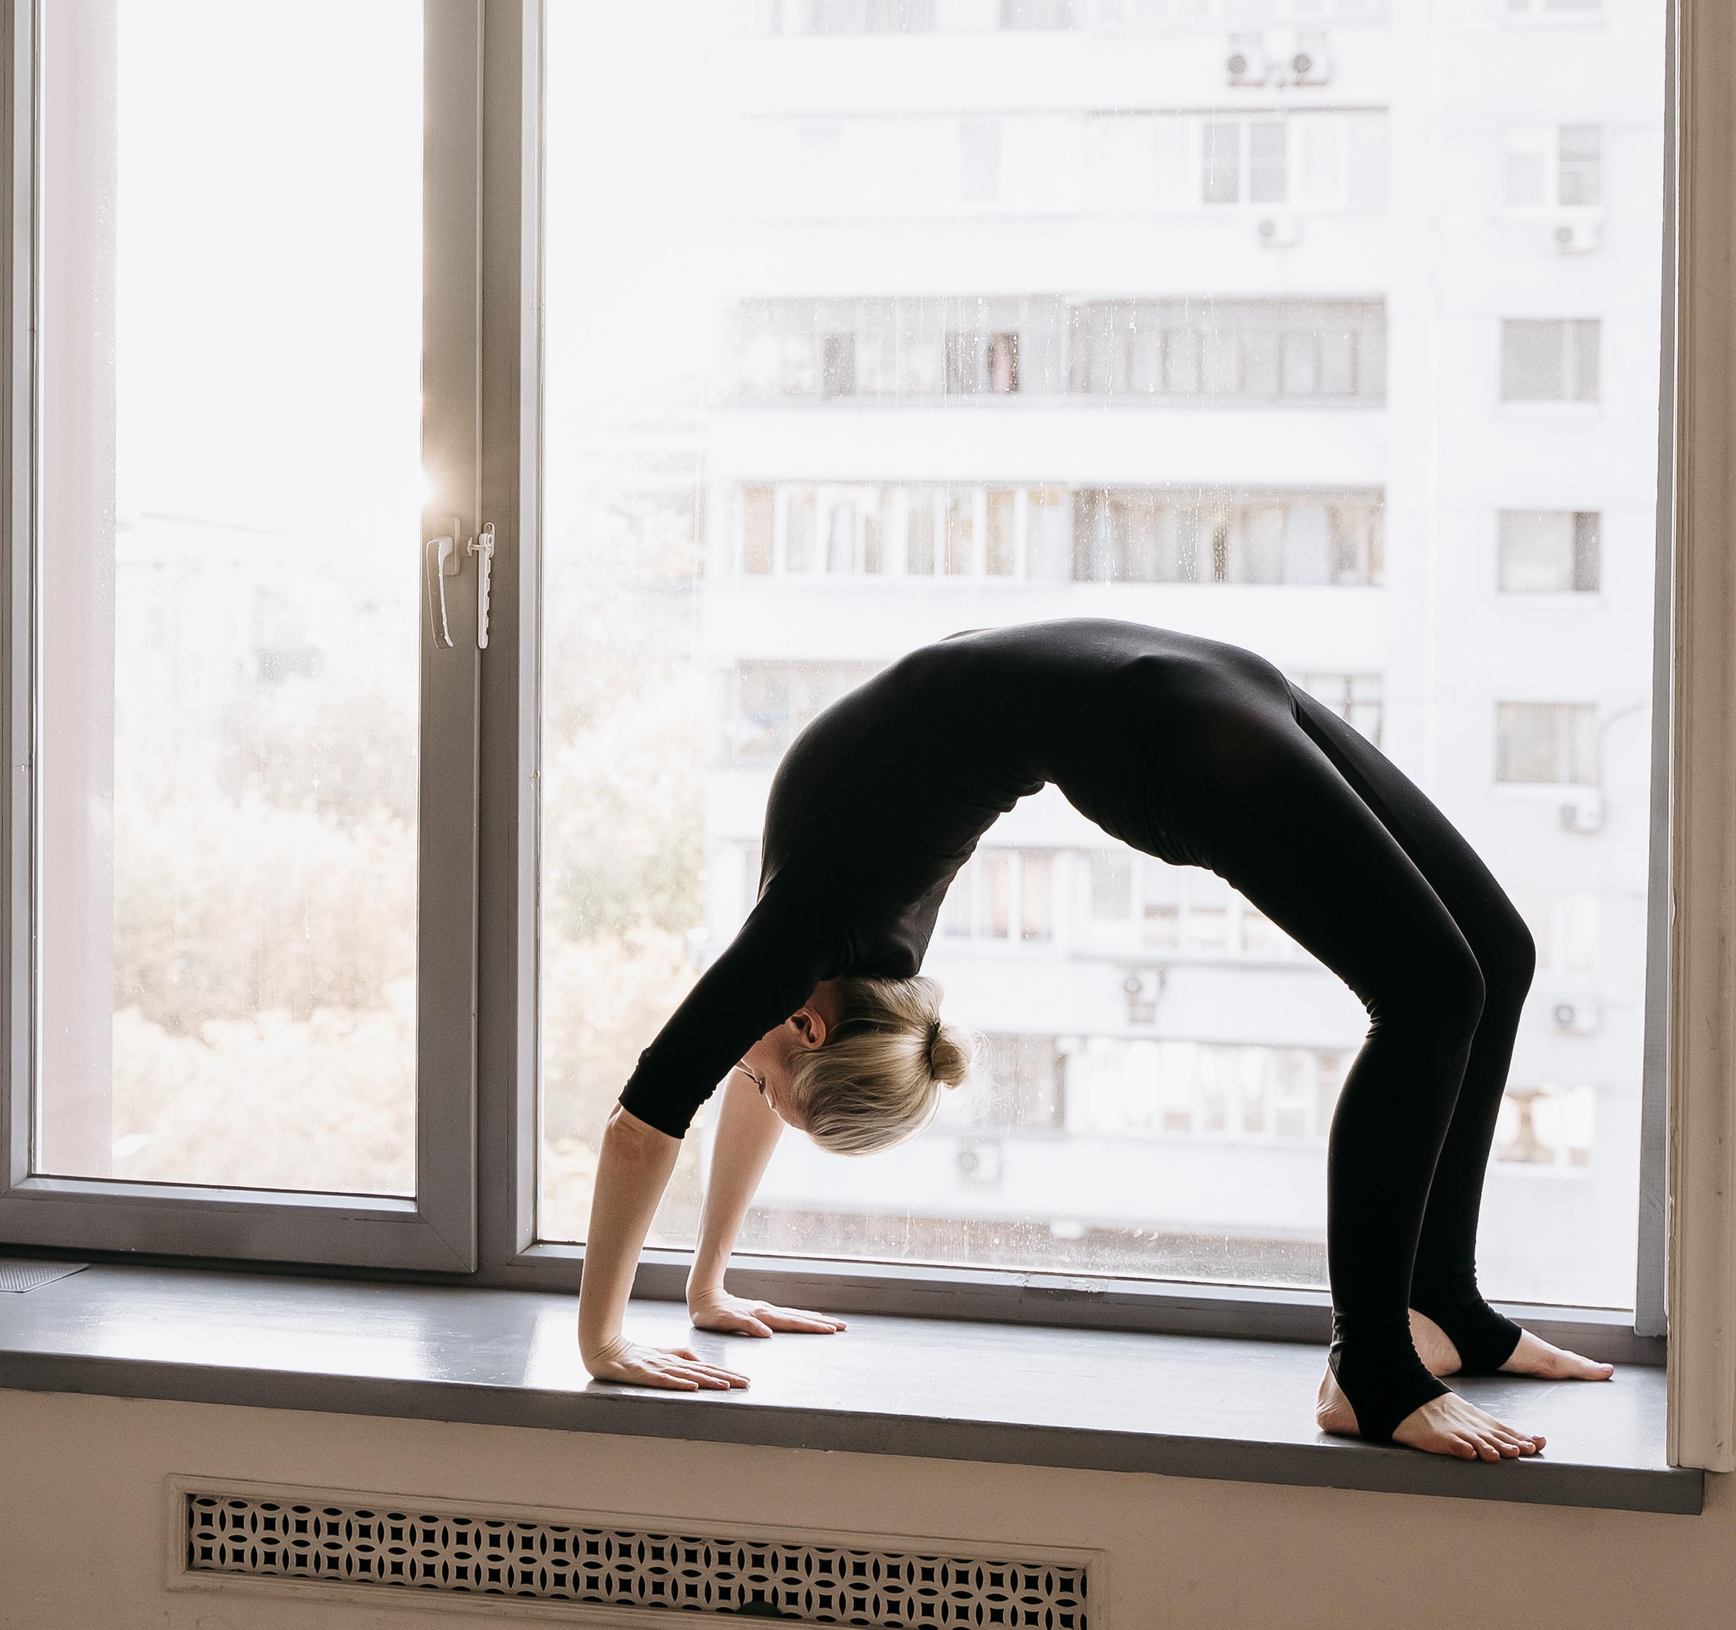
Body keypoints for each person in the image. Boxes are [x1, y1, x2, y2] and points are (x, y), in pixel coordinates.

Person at [575, 619, 1612, 1461]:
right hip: (1187, 674)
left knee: (1461, 976)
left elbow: (644, 1121)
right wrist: (706, 1284)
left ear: (807, 1023)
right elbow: (766, 1070)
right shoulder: (845, 964)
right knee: (1471, 968)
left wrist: (605, 1338)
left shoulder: (805, 937)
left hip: (1169, 734)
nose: (743, 1078)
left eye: (761, 1086)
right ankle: (1431, 1307)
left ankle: (1377, 1362)